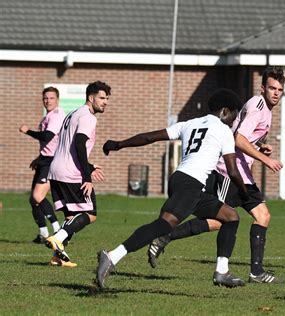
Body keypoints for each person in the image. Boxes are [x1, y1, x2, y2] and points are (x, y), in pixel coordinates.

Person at [96, 88, 249, 289]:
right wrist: (245, 194)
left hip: (182, 181)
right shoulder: (223, 130)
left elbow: (150, 137)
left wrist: (119, 144)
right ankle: (113, 256)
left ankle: (222, 271)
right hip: (191, 184)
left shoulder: (189, 124)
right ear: (225, 111)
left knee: (230, 217)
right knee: (163, 226)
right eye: (235, 114)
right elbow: (233, 171)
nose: (234, 120)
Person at [147, 66, 285, 284]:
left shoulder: (265, 109)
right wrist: (265, 159)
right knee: (218, 221)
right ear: (262, 88)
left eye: (279, 89)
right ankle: (165, 236)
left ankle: (256, 272)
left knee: (261, 216)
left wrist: (261, 146)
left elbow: (245, 136)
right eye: (272, 88)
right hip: (229, 173)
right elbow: (238, 138)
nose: (276, 93)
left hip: (243, 173)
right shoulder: (258, 106)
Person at [44, 81, 108, 268]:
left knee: (72, 216)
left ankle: (58, 256)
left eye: (107, 99)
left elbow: (69, 147)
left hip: (56, 170)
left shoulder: (73, 113)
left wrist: (88, 165)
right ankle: (58, 237)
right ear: (91, 98)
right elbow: (79, 143)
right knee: (90, 213)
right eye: (102, 98)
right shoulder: (88, 117)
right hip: (71, 173)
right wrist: (86, 176)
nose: (105, 102)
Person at [19, 87, 64, 244]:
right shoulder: (48, 117)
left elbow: (47, 136)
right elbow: (50, 143)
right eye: (45, 98)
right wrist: (38, 158)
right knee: (33, 200)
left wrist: (27, 131)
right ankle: (43, 234)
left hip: (52, 161)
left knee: (38, 196)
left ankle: (58, 231)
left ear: (57, 99)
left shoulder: (57, 116)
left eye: (51, 98)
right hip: (44, 159)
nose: (48, 101)